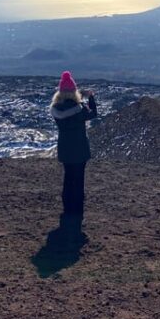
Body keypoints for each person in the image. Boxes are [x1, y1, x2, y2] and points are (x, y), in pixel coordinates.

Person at [49, 71, 98, 218]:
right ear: (73, 91)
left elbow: (66, 109)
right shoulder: (80, 109)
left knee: (68, 178)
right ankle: (77, 209)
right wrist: (91, 98)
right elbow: (93, 113)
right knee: (79, 180)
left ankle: (67, 208)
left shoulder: (56, 110)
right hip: (80, 150)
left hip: (65, 150)